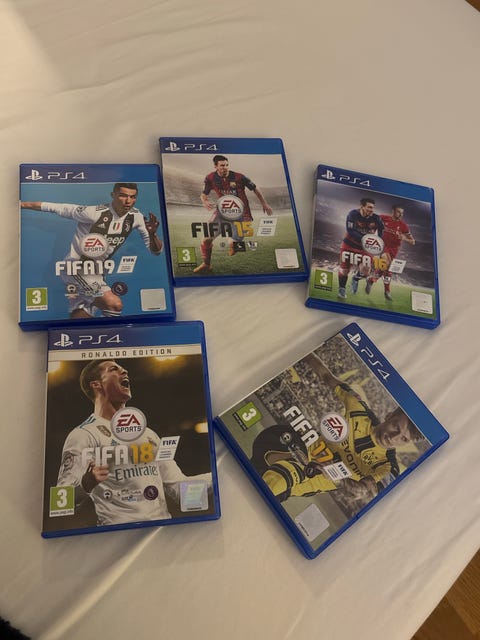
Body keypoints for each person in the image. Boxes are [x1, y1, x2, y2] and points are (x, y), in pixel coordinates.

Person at [56, 359, 212, 526]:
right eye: (114, 369)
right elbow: (59, 503)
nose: (125, 372)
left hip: (162, 531)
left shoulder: (149, 434)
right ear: (96, 384)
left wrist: (217, 478)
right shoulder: (83, 435)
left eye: (123, 369)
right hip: (118, 534)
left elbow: (183, 494)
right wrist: (85, 484)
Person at [252, 353, 422, 503]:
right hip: (291, 449)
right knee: (280, 459)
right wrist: (306, 354)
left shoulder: (387, 467)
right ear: (389, 415)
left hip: (298, 483)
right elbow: (327, 376)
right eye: (396, 427)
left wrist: (338, 477)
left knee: (265, 483)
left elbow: (364, 490)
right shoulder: (359, 409)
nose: (394, 437)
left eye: (403, 438)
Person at [21, 183, 163, 318]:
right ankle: (112, 334)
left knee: (80, 315)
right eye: (123, 195)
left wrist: (152, 234)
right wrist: (22, 204)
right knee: (114, 305)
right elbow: (57, 207)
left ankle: (79, 335)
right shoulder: (94, 213)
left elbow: (156, 251)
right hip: (76, 268)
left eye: (132, 197)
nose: (128, 201)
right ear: (113, 195)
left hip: (97, 272)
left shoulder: (136, 217)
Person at [193, 154, 273, 273]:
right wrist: (205, 201)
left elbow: (255, 188)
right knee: (206, 240)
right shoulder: (210, 178)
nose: (225, 167)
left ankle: (234, 243)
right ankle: (206, 264)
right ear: (215, 166)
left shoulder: (239, 177)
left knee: (232, 243)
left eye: (227, 165)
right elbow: (203, 194)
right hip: (223, 212)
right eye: (222, 165)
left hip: (242, 214)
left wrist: (264, 203)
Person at [365, 204, 415, 300]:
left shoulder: (403, 226)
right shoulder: (384, 218)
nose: (400, 214)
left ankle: (371, 280)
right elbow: (372, 220)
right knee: (387, 265)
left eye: (402, 213)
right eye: (398, 212)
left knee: (384, 269)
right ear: (393, 211)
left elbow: (413, 241)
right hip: (383, 246)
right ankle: (387, 291)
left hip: (394, 250)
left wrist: (404, 238)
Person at [337, 197, 384, 299]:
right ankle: (342, 289)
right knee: (344, 271)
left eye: (373, 208)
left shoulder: (376, 218)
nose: (372, 210)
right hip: (349, 245)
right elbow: (350, 231)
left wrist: (379, 241)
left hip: (364, 248)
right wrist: (366, 238)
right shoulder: (353, 214)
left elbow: (381, 230)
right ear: (362, 206)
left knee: (366, 271)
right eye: (369, 207)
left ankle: (356, 278)